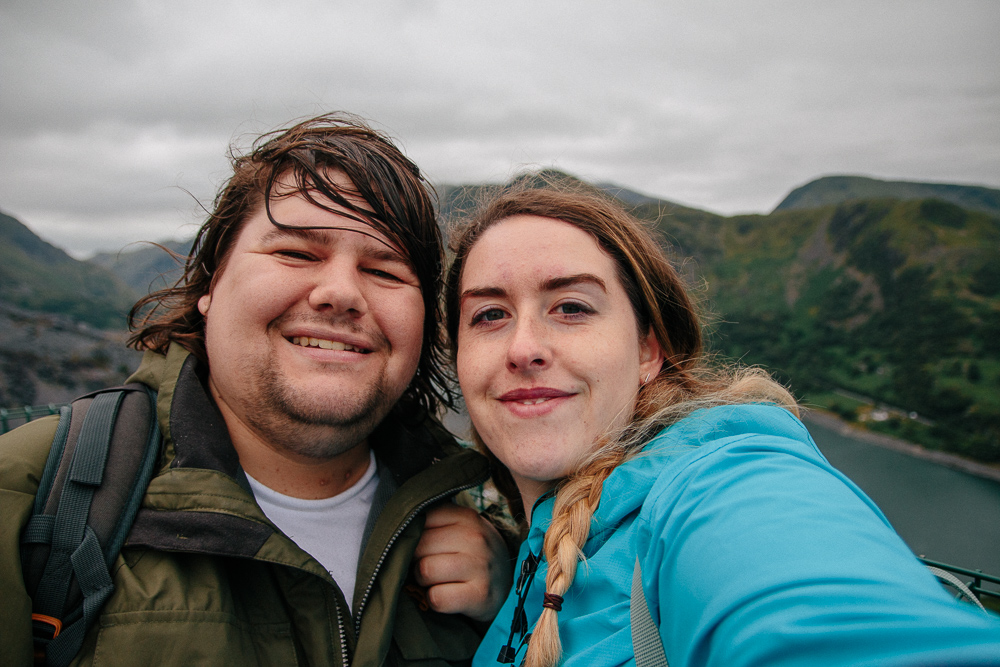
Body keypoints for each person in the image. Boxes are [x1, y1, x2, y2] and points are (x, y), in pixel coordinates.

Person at [0, 113, 512, 667]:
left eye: (386, 271)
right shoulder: (27, 496)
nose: (340, 293)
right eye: (295, 253)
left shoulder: (501, 520)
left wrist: (514, 596)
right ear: (210, 285)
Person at [444, 179, 1000, 667]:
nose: (524, 348)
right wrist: (514, 586)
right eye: (489, 314)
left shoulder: (718, 483)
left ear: (648, 351)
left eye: (572, 307)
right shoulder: (535, 547)